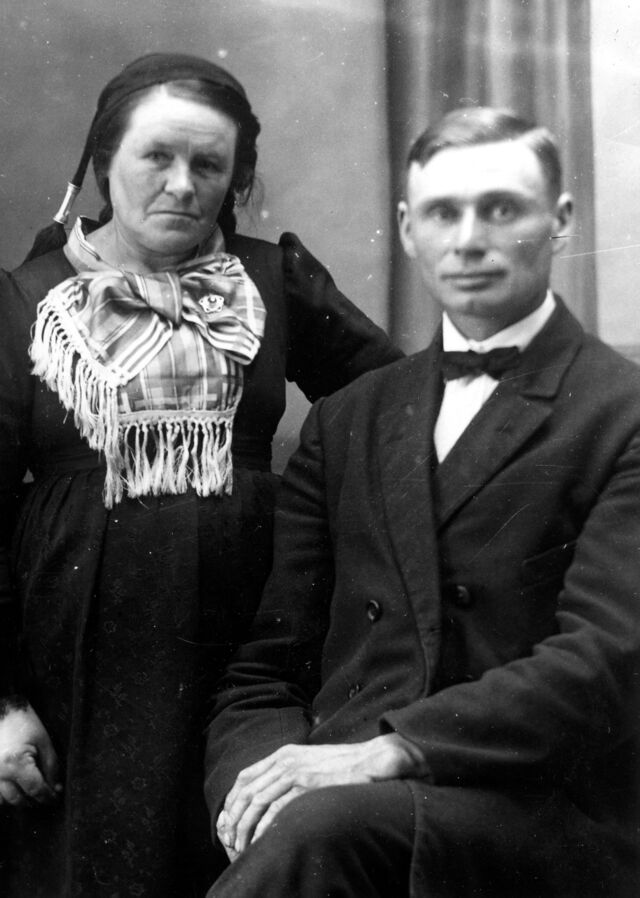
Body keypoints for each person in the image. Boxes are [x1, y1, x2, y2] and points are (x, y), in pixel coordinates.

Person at [204, 107, 640, 898]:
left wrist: (393, 750)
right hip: (342, 800)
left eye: (501, 209)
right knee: (300, 832)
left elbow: (605, 662)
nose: (468, 240)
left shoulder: (623, 412)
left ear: (561, 221)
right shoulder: (348, 418)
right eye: (443, 213)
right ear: (408, 230)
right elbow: (266, 670)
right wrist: (257, 786)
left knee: (321, 835)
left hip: (535, 803)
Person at [0, 52, 401, 897]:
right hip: (73, 657)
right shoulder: (25, 299)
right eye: (157, 156)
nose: (183, 185)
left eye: (209, 166)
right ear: (104, 160)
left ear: (235, 178)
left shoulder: (272, 283)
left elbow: (398, 406)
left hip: (252, 641)